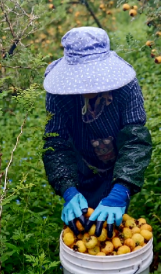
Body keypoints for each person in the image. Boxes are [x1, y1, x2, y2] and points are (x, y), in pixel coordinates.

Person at [41, 27, 152, 239]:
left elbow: (135, 140)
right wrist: (67, 188)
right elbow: (56, 144)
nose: (87, 83)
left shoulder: (125, 88)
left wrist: (122, 189)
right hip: (81, 163)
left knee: (113, 226)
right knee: (83, 229)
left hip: (117, 163)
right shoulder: (58, 95)